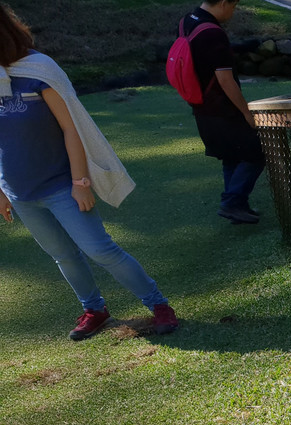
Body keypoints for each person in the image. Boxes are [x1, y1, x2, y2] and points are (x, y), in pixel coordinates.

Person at [0, 4, 177, 340]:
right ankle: (94, 309)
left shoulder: (39, 70)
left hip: (61, 186)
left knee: (100, 249)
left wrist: (81, 183)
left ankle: (158, 305)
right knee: (62, 256)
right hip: (20, 193)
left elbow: (73, 129)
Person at [180, 0, 264, 225]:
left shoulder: (188, 20)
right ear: (224, 3)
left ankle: (237, 205)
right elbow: (225, 79)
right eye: (234, 6)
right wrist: (246, 112)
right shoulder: (213, 34)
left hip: (200, 105)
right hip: (221, 107)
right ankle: (232, 201)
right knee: (257, 151)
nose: (234, 11)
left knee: (231, 155)